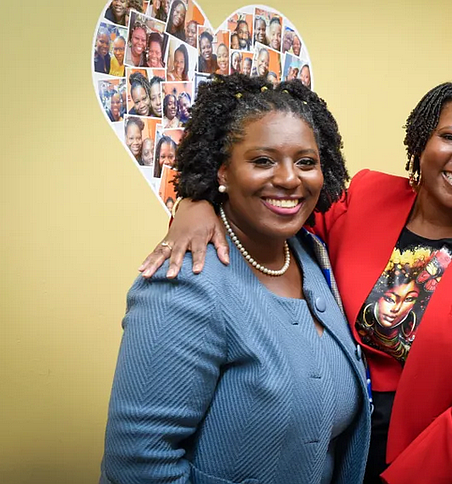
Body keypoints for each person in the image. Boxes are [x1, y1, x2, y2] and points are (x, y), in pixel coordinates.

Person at [138, 72, 452, 484]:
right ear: (423, 138)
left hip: (430, 460)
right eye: (451, 137)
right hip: (327, 446)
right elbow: (278, 209)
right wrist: (196, 202)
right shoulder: (369, 195)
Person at [101, 75, 370, 484]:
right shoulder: (183, 281)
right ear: (222, 172)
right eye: (263, 160)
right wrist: (192, 201)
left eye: (306, 162)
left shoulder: (313, 258)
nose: (289, 179)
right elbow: (139, 464)